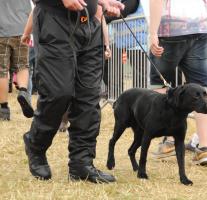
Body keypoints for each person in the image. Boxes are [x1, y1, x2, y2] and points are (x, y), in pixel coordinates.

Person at [22, 0, 124, 183]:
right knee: (58, 93)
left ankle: (81, 163)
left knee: (89, 96)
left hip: (90, 22)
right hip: (54, 19)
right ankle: (36, 145)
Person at [150, 0, 207, 166]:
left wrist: (153, 33)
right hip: (199, 29)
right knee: (202, 89)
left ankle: (167, 140)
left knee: (159, 85)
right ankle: (204, 147)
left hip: (170, 28)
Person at [0, 0, 33, 120]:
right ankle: (23, 91)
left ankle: (4, 109)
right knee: (22, 65)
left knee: (2, 71)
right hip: (22, 28)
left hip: (1, 30)